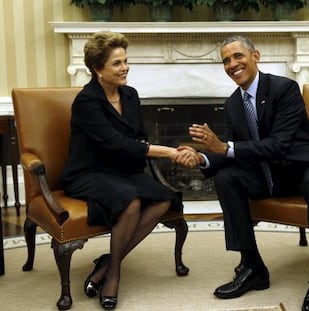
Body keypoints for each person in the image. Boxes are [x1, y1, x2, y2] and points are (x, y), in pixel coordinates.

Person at [184, 35, 309, 311]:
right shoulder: (233, 104)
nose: (232, 64)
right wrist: (201, 157)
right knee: (227, 177)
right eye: (226, 60)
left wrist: (225, 148)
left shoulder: (285, 88)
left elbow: (279, 145)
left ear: (255, 56)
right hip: (273, 174)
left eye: (238, 56)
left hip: (306, 163)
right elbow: (230, 149)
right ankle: (253, 266)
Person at [61, 31, 197, 310]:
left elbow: (138, 138)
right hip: (89, 173)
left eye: (126, 60)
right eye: (117, 63)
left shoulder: (130, 95)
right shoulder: (87, 102)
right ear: (98, 68)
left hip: (124, 171)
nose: (125, 68)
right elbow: (117, 144)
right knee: (130, 201)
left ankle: (109, 260)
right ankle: (113, 275)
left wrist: (158, 149)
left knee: (163, 199)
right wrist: (171, 152)